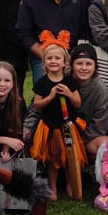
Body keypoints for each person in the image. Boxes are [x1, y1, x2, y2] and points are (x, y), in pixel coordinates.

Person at [16, 0, 93, 85]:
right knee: (44, 90)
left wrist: (71, 57)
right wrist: (46, 56)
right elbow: (23, 32)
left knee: (78, 91)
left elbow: (86, 29)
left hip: (74, 54)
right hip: (42, 55)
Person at [30, 41, 85, 201]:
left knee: (69, 155)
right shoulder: (42, 83)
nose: (53, 61)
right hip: (50, 126)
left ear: (64, 62)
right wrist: (50, 96)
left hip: (67, 126)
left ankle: (71, 184)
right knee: (53, 158)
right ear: (44, 63)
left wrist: (69, 93)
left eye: (57, 58)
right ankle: (52, 186)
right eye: (49, 58)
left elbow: (77, 103)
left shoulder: (70, 81)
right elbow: (37, 104)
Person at [70, 42, 108, 159]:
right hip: (62, 135)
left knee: (106, 144)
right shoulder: (63, 81)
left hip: (86, 138)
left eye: (88, 64)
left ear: (95, 66)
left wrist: (78, 141)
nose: (84, 68)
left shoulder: (100, 89)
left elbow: (100, 126)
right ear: (72, 65)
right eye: (79, 63)